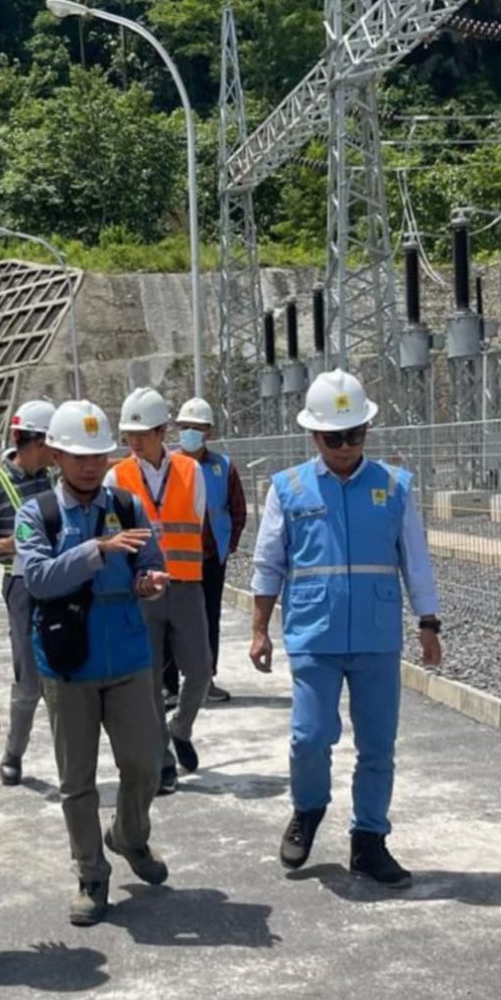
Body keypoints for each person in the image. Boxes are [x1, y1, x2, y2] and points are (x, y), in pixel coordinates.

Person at [249, 369, 442, 888]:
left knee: (378, 744)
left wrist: (428, 621)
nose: (344, 446)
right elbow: (269, 563)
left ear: (367, 432)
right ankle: (308, 810)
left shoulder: (395, 486)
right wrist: (260, 627)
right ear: (314, 435)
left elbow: (415, 561)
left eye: (354, 434)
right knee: (310, 738)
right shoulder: (287, 488)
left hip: (377, 636)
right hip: (314, 633)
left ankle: (369, 840)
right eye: (334, 437)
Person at [14, 400, 170, 927]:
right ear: (55, 454)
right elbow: (37, 578)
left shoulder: (128, 506)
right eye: (78, 456)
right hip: (67, 662)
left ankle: (129, 836)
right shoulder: (39, 514)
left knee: (145, 763)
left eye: (98, 455)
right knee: (76, 780)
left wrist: (148, 584)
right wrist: (97, 552)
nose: (90, 465)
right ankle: (91, 871)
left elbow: (151, 563)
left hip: (128, 655)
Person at [107, 387, 211, 794]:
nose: (134, 442)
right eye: (129, 434)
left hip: (185, 585)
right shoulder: (119, 476)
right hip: (143, 589)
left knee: (200, 669)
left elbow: (196, 522)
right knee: (148, 678)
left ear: (162, 430)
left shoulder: (190, 470)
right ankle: (162, 758)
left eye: (143, 433)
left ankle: (180, 726)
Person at [0, 398, 56, 786]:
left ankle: (71, 757)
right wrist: (9, 545)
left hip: (58, 579)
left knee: (66, 674)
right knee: (29, 678)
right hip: (22, 587)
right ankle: (13, 753)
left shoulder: (51, 479)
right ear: (37, 442)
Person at [173, 396, 248, 702]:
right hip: (175, 558)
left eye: (197, 427)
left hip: (210, 556)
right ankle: (170, 684)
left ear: (209, 432)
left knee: (208, 618)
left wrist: (227, 545)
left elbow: (237, 509)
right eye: (185, 427)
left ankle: (206, 680)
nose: (190, 432)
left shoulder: (223, 467)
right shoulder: (168, 465)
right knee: (172, 621)